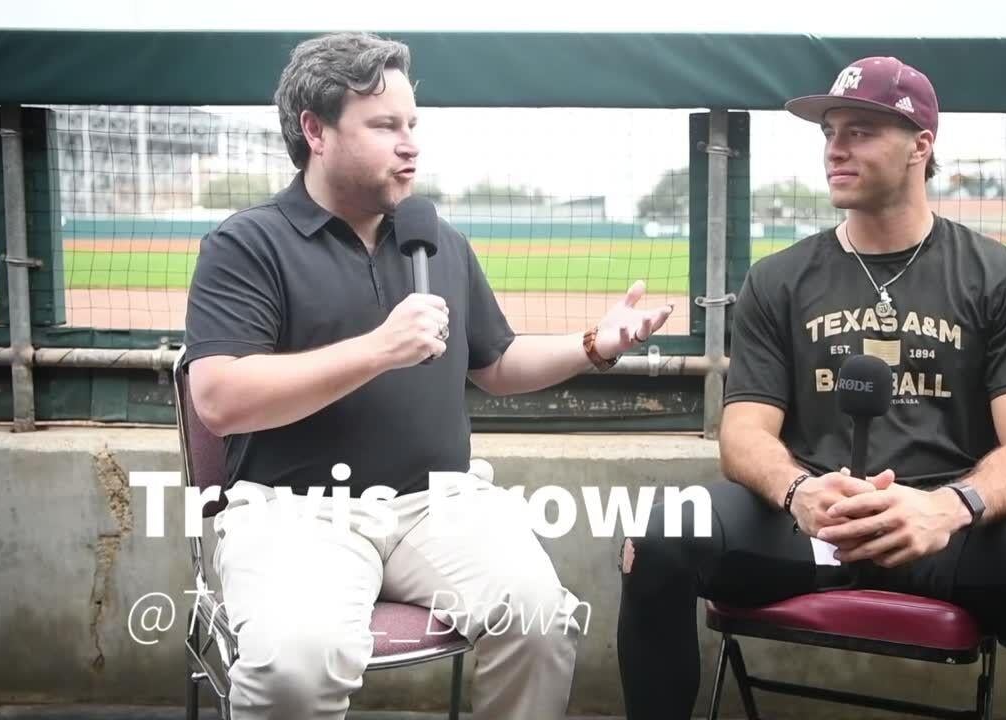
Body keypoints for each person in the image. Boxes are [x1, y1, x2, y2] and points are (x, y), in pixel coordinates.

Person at [617, 56, 1006, 719]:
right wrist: (800, 492)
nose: (836, 148)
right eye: (829, 131)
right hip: (813, 522)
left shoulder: (1002, 276)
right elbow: (744, 432)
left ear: (921, 146)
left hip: (948, 528)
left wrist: (948, 507)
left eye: (862, 131)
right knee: (658, 535)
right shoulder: (779, 278)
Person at [183, 31, 673, 720]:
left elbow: (496, 365)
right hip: (293, 511)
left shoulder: (437, 241)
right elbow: (220, 400)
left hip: (437, 505)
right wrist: (379, 348)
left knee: (541, 619)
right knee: (294, 666)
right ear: (314, 131)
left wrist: (594, 343)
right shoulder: (246, 244)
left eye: (413, 124)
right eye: (385, 125)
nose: (410, 143)